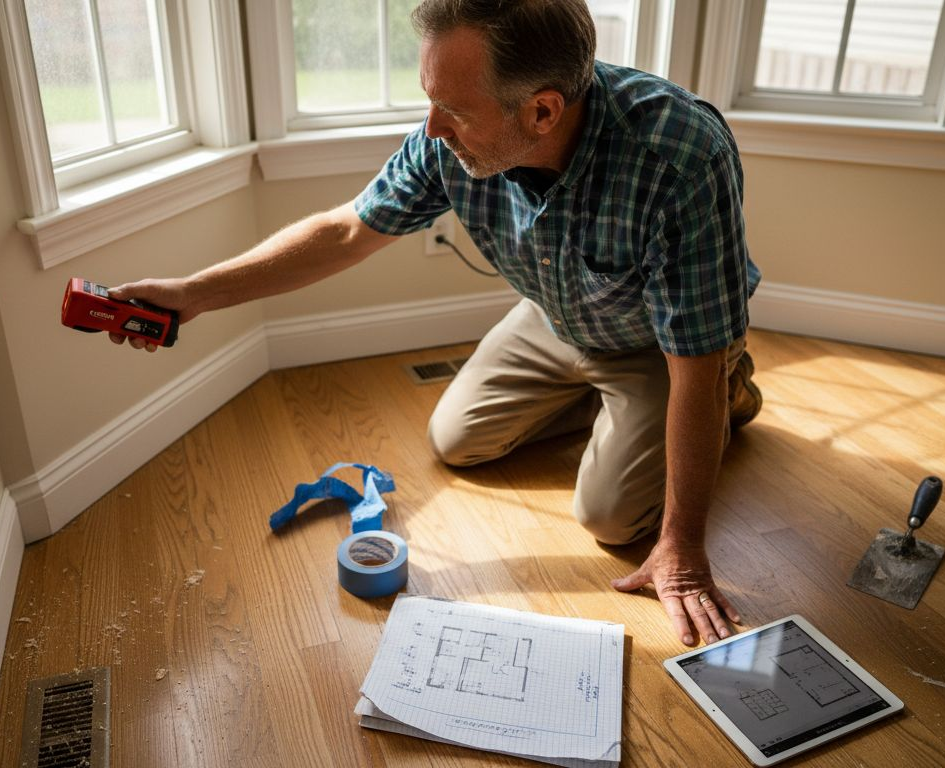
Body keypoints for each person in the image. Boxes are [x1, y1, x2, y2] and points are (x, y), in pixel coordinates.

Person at [107, 0, 762, 647]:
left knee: (612, 517)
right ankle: (620, 412)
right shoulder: (448, 138)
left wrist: (681, 547)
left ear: (541, 110)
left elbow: (693, 365)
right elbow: (343, 234)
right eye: (430, 99)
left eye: (451, 110)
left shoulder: (678, 154)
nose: (432, 129)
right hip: (553, 318)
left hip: (658, 345)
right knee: (458, 440)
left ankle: (731, 393)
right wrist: (194, 294)